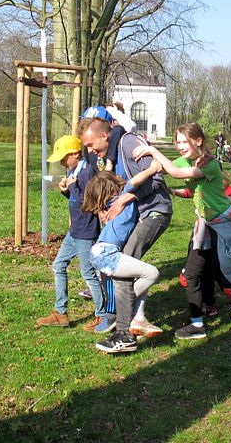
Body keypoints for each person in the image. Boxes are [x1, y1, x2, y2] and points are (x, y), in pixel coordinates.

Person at [133, 123, 231, 347]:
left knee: (227, 277)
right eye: (178, 142)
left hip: (223, 226)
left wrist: (154, 151)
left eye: (184, 141)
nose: (180, 146)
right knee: (192, 274)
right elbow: (180, 178)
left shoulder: (211, 164)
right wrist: (168, 186)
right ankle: (197, 325)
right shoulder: (188, 161)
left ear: (199, 141)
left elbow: (174, 171)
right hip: (205, 225)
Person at [78, 117, 172, 353]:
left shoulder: (128, 143)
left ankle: (124, 329)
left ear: (104, 136)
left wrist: (124, 199)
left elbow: (157, 178)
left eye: (90, 145)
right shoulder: (111, 157)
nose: (89, 151)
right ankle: (132, 320)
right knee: (128, 270)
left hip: (154, 212)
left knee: (126, 272)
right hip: (137, 217)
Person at [35, 135, 113, 334]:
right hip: (74, 232)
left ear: (76, 154)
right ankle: (61, 313)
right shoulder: (75, 170)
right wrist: (66, 191)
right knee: (58, 265)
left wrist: (71, 186)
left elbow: (88, 202)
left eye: (64, 157)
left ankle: (103, 315)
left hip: (86, 232)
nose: (61, 162)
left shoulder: (87, 173)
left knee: (89, 274)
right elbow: (76, 198)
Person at [81, 168, 162, 353]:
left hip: (101, 253)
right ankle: (124, 304)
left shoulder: (110, 204)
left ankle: (135, 317)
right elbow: (135, 180)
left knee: (142, 275)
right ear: (114, 187)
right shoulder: (121, 198)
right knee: (152, 273)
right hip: (106, 254)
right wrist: (153, 167)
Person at [172, 170, 231, 316]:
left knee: (220, 273)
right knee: (202, 272)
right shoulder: (203, 189)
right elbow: (188, 192)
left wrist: (217, 200)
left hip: (220, 235)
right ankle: (209, 304)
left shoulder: (229, 189)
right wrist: (172, 191)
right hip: (202, 234)